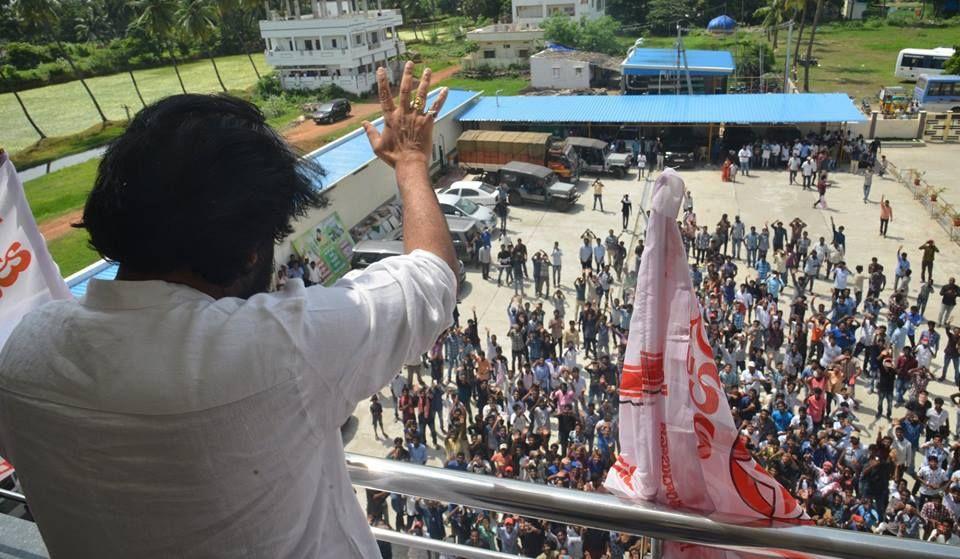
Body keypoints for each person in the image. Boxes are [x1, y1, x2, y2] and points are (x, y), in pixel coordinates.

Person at [0, 64, 459, 558]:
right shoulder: (277, 349)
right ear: (250, 252)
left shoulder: (25, 351)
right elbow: (434, 277)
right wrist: (410, 160)